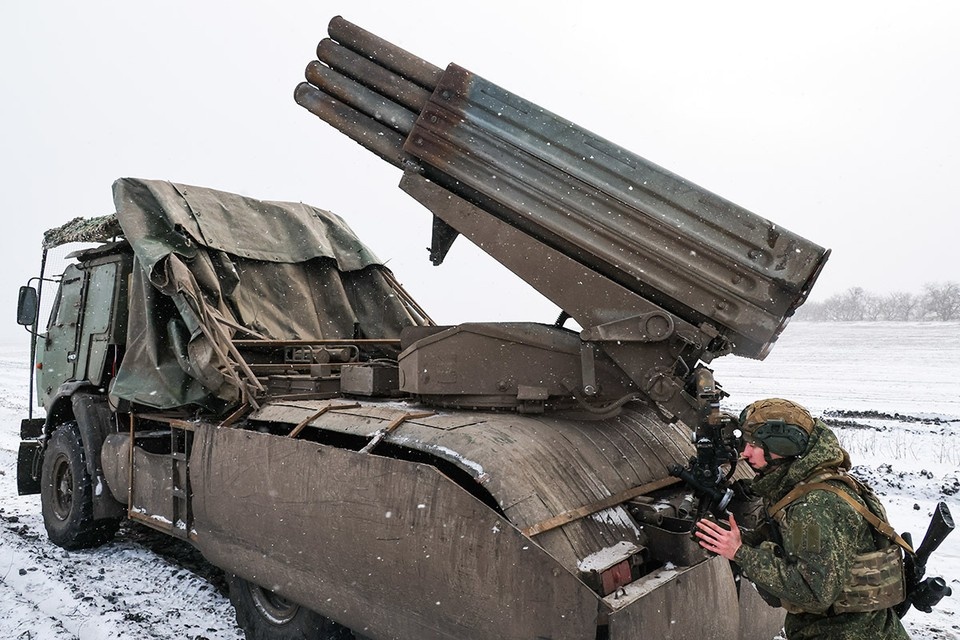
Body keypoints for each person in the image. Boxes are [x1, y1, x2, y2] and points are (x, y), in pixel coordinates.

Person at [694, 398, 910, 640]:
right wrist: (736, 540)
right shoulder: (807, 483)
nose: (745, 452)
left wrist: (741, 553)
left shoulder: (815, 506)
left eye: (753, 444)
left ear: (781, 445)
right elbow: (793, 546)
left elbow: (813, 593)